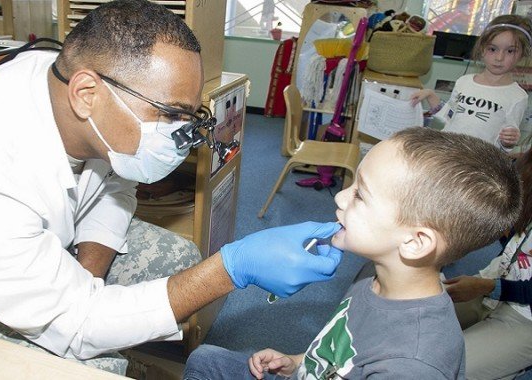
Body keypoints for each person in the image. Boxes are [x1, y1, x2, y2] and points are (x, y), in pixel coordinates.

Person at [0, 0, 344, 373]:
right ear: (87, 94)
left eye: (186, 116)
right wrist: (230, 268)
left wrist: (87, 278)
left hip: (31, 245)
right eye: (170, 113)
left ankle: (129, 345)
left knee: (179, 260)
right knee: (95, 363)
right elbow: (72, 321)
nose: (178, 133)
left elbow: (117, 183)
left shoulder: (70, 91)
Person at [183, 127, 522, 379]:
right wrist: (298, 362)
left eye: (361, 195)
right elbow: (344, 351)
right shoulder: (375, 273)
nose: (341, 198)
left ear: (416, 242)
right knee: (205, 359)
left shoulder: (413, 364)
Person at [443, 144, 532, 379]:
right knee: (415, 320)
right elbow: (513, 246)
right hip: (499, 280)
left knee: (448, 368)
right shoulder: (525, 174)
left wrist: (489, 288)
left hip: (525, 317)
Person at [410, 14, 532, 151]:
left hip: (476, 163)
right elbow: (448, 117)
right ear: (482, 49)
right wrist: (430, 95)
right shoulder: (464, 81)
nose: (499, 57)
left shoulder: (517, 96)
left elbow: (504, 147)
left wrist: (508, 142)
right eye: (493, 49)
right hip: (445, 154)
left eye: (510, 51)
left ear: (523, 54)